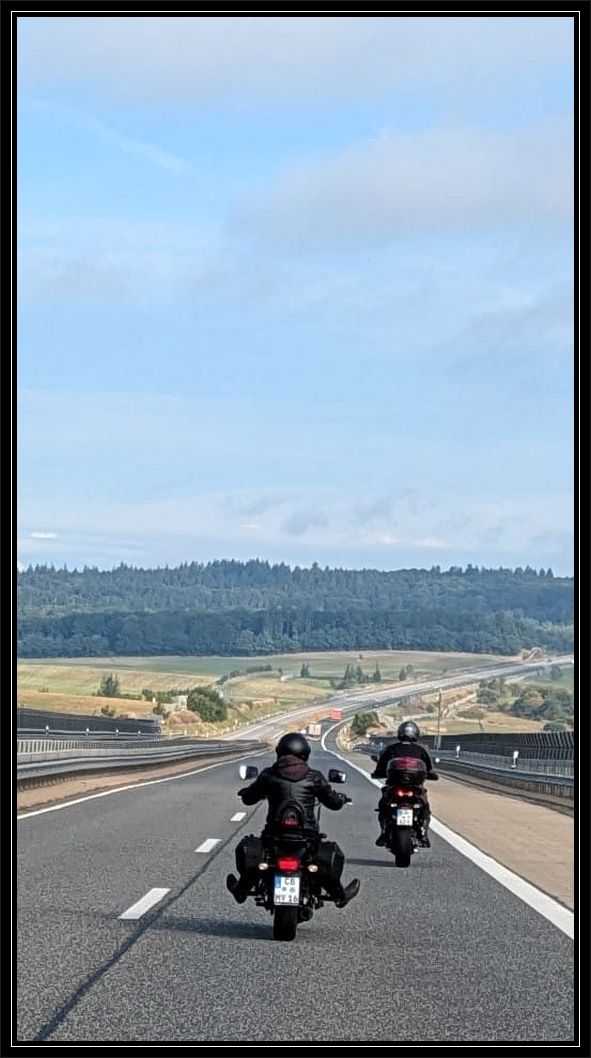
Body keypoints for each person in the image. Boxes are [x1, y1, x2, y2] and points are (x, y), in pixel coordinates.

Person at [226, 732, 361, 908]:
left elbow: (249, 799)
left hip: (274, 835)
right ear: (305, 754)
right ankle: (339, 896)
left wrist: (247, 792)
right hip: (307, 837)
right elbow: (333, 803)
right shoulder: (314, 777)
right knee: (324, 859)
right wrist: (340, 799)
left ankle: (241, 890)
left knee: (256, 856)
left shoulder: (269, 775)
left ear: (279, 752)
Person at [371, 721, 437, 847]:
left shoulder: (391, 749)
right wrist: (433, 775)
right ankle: (423, 833)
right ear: (416, 733)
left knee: (383, 805)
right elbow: (431, 769)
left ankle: (384, 832)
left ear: (400, 733)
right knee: (425, 807)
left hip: (394, 787)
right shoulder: (421, 750)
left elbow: (381, 767)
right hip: (415, 788)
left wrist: (377, 773)